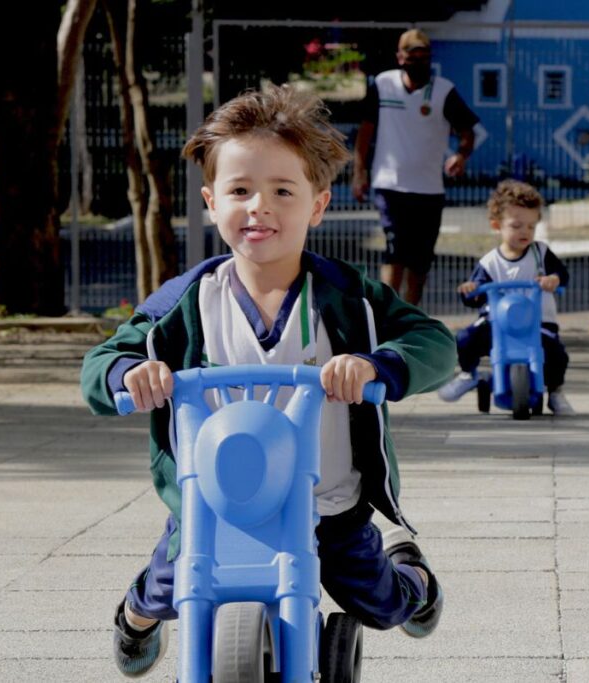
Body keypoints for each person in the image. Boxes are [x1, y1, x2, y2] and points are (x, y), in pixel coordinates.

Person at [80, 84, 456, 678]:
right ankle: (134, 619)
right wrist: (135, 372)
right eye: (239, 191)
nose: (260, 207)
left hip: (327, 502)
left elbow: (435, 344)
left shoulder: (347, 298)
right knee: (167, 587)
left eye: (283, 191)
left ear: (318, 205)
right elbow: (100, 366)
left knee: (378, 604)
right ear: (211, 202)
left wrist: (376, 365)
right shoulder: (185, 303)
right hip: (216, 504)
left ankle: (413, 576)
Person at [352, 28, 479, 306]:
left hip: (429, 188)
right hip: (390, 184)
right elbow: (365, 131)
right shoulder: (383, 85)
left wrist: (461, 155)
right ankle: (387, 313)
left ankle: (410, 315)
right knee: (395, 249)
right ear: (400, 57)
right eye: (412, 56)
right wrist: (359, 171)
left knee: (420, 260)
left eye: (424, 57)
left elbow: (468, 132)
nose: (418, 62)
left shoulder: (444, 91)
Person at [437, 180, 574, 415]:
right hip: (497, 324)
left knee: (557, 355)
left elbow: (561, 274)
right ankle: (469, 373)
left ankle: (555, 391)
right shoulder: (490, 262)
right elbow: (475, 296)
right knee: (466, 339)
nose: (525, 232)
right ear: (496, 225)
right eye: (517, 225)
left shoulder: (540, 254)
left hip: (538, 324)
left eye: (531, 226)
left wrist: (554, 280)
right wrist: (471, 289)